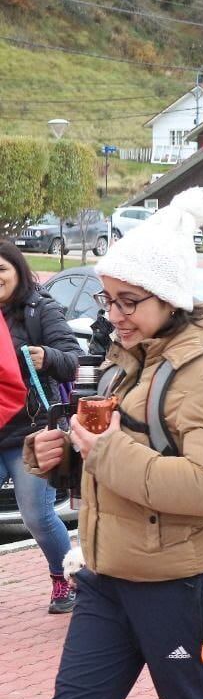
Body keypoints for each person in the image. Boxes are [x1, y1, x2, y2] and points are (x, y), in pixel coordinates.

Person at [26, 189, 203, 699]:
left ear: (169, 298)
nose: (114, 316)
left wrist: (104, 451)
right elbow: (116, 461)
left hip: (184, 587)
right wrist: (58, 455)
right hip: (105, 581)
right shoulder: (126, 362)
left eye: (129, 302)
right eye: (108, 301)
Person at [0, 241, 81, 613]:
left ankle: (66, 578)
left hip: (30, 432)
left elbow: (73, 359)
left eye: (1, 269)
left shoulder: (38, 308)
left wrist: (46, 356)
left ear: (16, 269)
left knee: (37, 515)